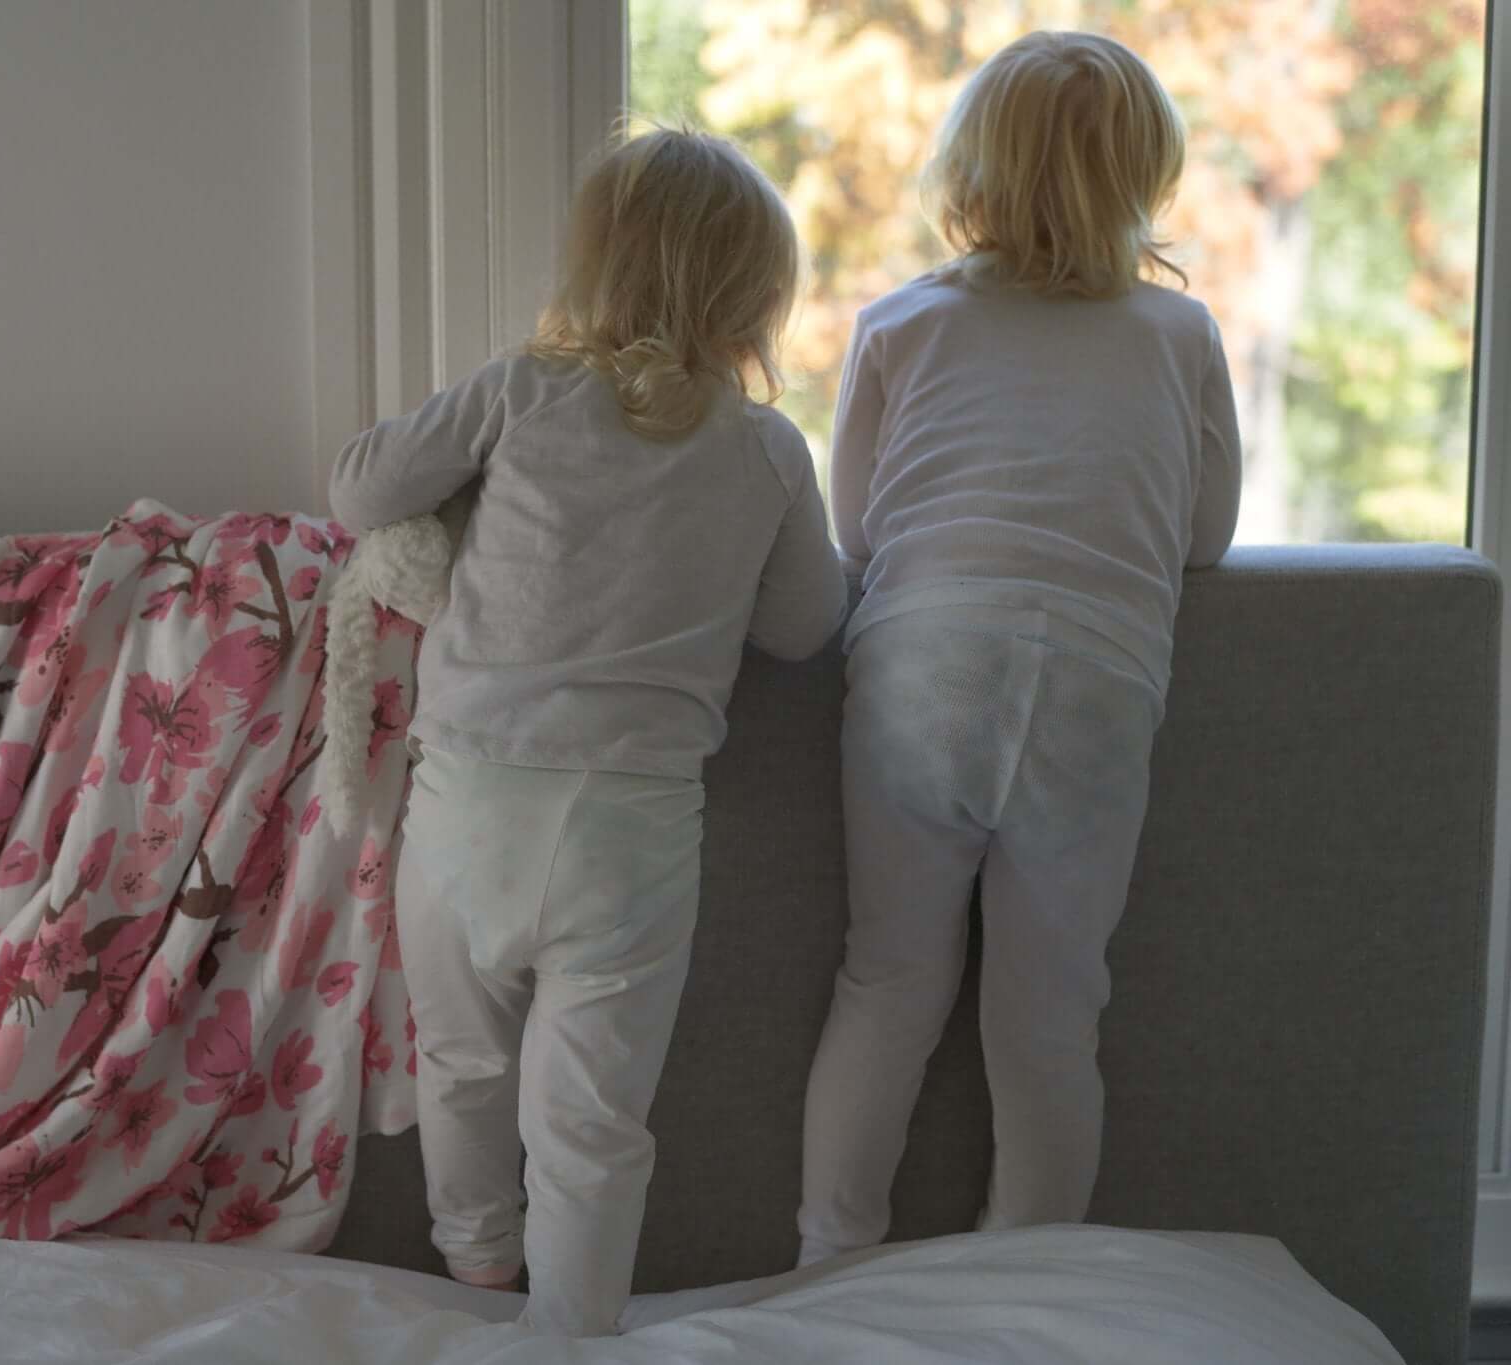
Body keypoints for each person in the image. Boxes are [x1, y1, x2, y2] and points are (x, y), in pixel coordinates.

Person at [328, 127, 844, 1335]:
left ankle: (474, 1262)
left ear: (592, 269)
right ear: (754, 299)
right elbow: (803, 628)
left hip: (467, 808)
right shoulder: (766, 451)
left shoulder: (519, 392)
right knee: (593, 1121)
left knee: (458, 1065)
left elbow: (359, 489)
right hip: (630, 827)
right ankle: (572, 1332)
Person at [797, 30, 1243, 1266]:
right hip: (1093, 687)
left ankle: (830, 1265)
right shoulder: (1178, 334)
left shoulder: (899, 322)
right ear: (1142, 179)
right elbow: (1201, 542)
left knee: (885, 984)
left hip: (917, 672)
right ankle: (1024, 1281)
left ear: (969, 172)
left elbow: (856, 530)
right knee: (1050, 1014)